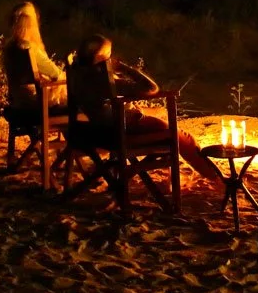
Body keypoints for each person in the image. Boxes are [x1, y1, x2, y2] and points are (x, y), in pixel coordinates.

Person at [65, 34, 220, 182]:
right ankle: (214, 176)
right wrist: (124, 68)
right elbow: (151, 88)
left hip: (102, 125)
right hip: (126, 127)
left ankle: (153, 171)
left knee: (160, 114)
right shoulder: (103, 81)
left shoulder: (77, 74)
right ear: (100, 58)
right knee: (183, 137)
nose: (111, 57)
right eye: (109, 54)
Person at [0, 1, 65, 123]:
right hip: (37, 104)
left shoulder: (9, 49)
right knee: (74, 94)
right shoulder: (30, 48)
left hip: (18, 104)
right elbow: (55, 73)